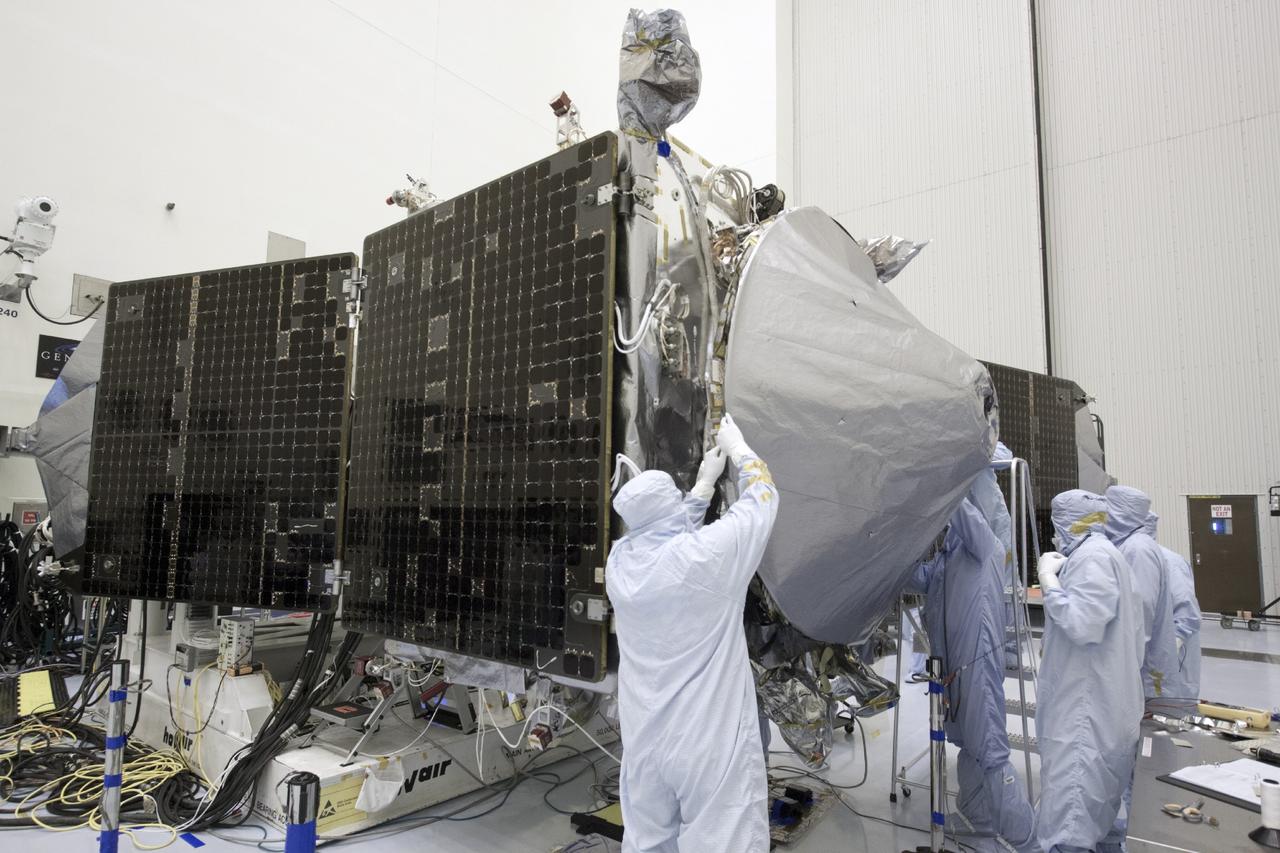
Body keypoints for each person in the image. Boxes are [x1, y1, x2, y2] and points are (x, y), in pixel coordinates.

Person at [606, 413, 779, 853]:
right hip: (705, 746)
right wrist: (740, 449)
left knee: (648, 843)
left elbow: (661, 536)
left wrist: (702, 490)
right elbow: (763, 499)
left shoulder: (620, 566)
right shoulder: (703, 560)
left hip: (645, 743)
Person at [907, 498, 1036, 852]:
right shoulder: (946, 560)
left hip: (976, 667)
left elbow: (959, 508)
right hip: (950, 670)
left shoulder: (983, 544)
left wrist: (944, 480)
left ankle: (1025, 840)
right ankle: (975, 819)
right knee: (967, 745)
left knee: (990, 751)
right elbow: (919, 579)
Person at [1035, 490, 1143, 853]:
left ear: (1069, 523)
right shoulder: (1106, 554)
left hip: (1084, 716)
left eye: (1055, 526)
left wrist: (1048, 581)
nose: (1054, 535)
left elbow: (1082, 624)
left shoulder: (1092, 558)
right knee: (1093, 821)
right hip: (1101, 706)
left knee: (1069, 825)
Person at [1104, 486, 1178, 707]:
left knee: (1147, 727)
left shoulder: (1138, 549)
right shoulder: (1131, 544)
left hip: (1144, 669)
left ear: (1120, 512)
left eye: (1109, 508)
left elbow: (1141, 609)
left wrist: (1126, 662)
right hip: (1137, 663)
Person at [1144, 511, 1202, 712]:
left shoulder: (1169, 561)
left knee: (1169, 716)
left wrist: (1165, 651)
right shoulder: (1129, 557)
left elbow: (1187, 615)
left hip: (1168, 661)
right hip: (1145, 662)